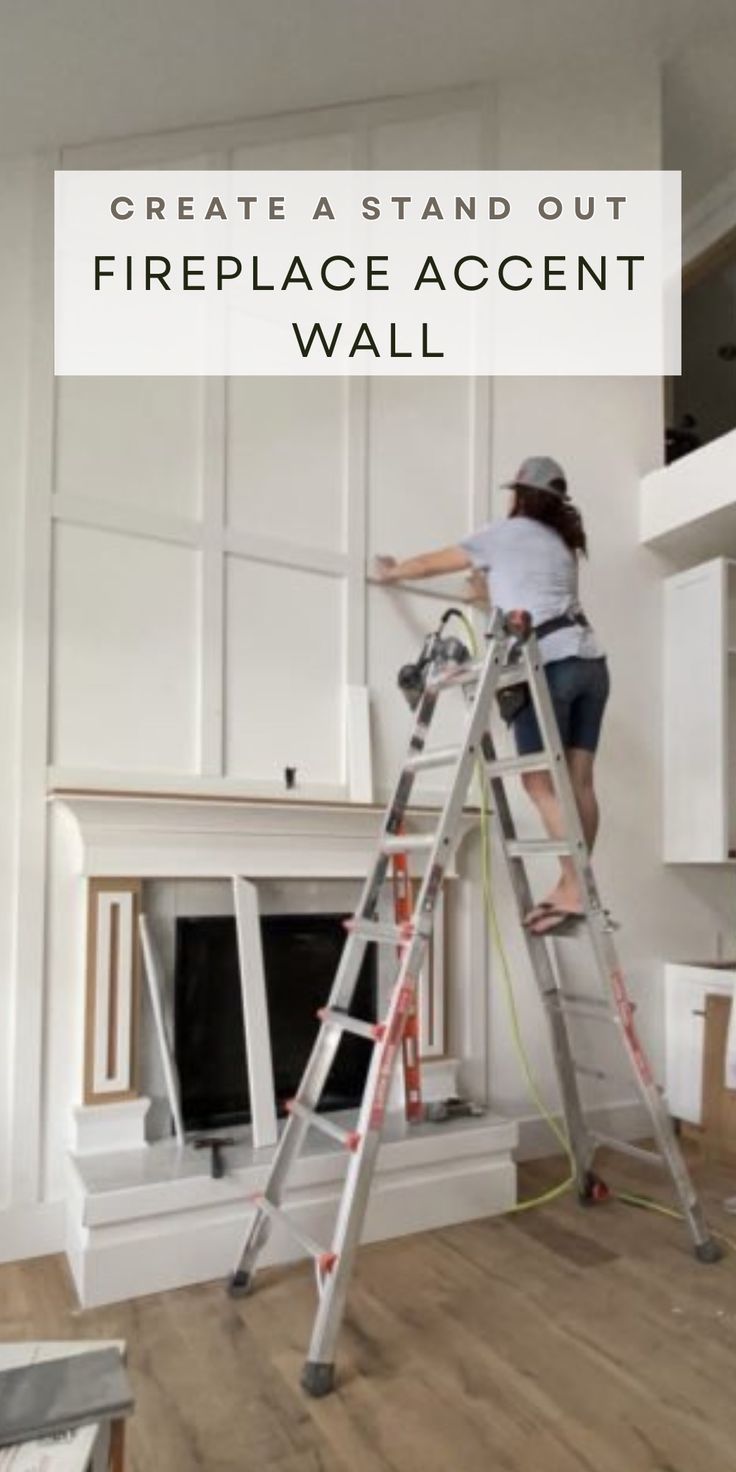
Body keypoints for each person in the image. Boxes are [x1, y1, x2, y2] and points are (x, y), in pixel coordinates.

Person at [374, 455, 609, 937]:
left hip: (546, 665)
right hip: (591, 663)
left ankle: (574, 884)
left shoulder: (502, 534)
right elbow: (533, 596)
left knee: (540, 785)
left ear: (519, 495)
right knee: (579, 781)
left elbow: (429, 564)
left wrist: (393, 571)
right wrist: (485, 596)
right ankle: (574, 885)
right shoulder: (562, 547)